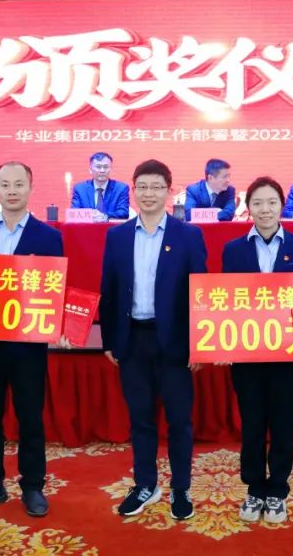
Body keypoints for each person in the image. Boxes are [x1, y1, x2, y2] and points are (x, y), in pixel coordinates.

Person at [100, 159, 208, 521]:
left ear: (169, 191)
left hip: (175, 343)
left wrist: (199, 344)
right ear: (133, 191)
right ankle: (145, 484)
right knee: (141, 419)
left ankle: (181, 488)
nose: (149, 194)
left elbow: (199, 292)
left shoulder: (188, 235)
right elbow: (109, 289)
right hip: (133, 340)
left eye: (156, 187)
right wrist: (110, 341)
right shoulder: (117, 236)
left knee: (179, 421)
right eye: (142, 187)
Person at [221, 176, 293, 524]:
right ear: (248, 208)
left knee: (283, 420)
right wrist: (223, 344)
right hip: (247, 353)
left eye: (271, 202)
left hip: (288, 354)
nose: (265, 209)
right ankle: (255, 488)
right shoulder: (233, 250)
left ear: (281, 206)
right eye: (257, 203)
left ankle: (278, 490)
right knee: (252, 421)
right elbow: (225, 301)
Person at [0, 161, 66, 519]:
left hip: (28, 346)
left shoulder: (48, 237)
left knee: (30, 417)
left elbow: (55, 289)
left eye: (19, 184)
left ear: (31, 188)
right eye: (5, 184)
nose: (12, 191)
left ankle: (33, 485)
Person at [70, 152, 130, 220]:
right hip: (87, 226)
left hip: (112, 226)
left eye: (106, 167)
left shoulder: (121, 188)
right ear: (90, 170)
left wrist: (104, 216)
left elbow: (124, 213)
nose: (102, 170)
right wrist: (91, 215)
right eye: (98, 167)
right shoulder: (80, 189)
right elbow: (74, 213)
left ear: (111, 169)